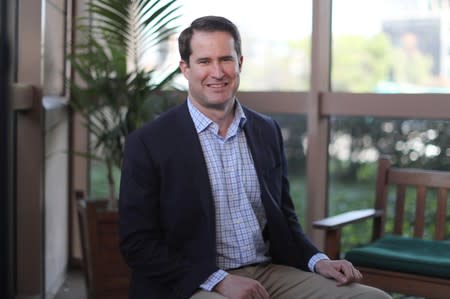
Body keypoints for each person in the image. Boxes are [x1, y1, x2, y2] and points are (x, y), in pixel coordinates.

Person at [119, 15, 391, 299]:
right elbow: (138, 243)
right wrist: (218, 280)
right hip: (192, 279)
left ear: (240, 64)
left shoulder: (266, 129)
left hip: (268, 271)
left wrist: (317, 260)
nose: (217, 72)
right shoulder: (148, 142)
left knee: (372, 298)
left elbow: (285, 218)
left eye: (226, 59)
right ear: (185, 69)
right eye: (204, 61)